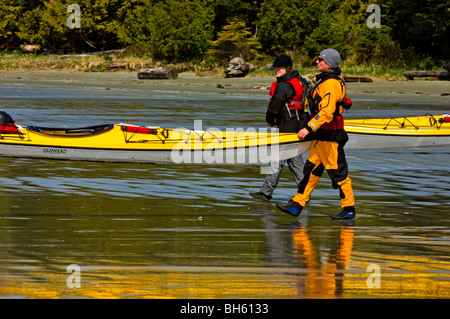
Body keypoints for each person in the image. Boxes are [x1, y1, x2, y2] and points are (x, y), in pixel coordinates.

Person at [276, 48, 356, 219]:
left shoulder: (331, 83)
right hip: (321, 136)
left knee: (338, 173)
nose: (317, 61)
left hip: (330, 136)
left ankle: (348, 208)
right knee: (310, 171)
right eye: (318, 59)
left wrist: (308, 128)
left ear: (329, 64)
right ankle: (297, 204)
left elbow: (327, 112)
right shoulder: (326, 80)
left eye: (321, 59)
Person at [250, 55, 309, 201]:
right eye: (275, 67)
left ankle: (267, 192)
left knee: (279, 158)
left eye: (279, 67)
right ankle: (303, 194)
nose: (276, 70)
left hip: (287, 126)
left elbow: (274, 105)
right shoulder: (302, 81)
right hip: (299, 123)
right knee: (294, 160)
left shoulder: (284, 85)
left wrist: (269, 120)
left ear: (287, 68)